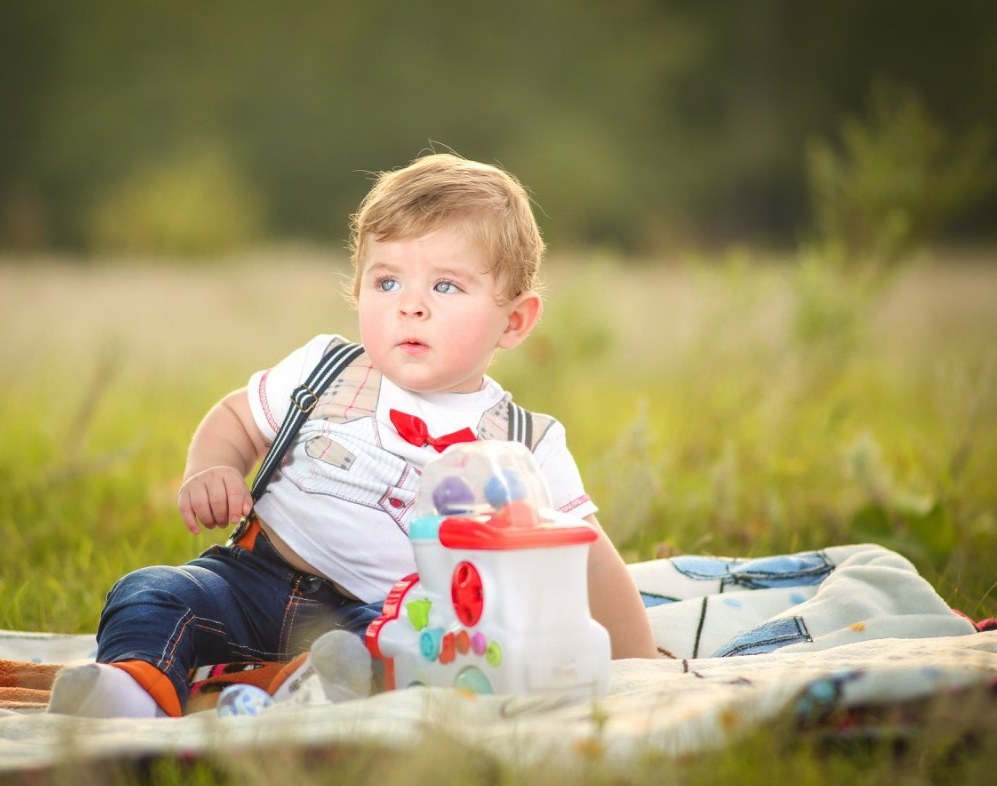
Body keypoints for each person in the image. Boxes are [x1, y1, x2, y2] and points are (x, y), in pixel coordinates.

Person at [48, 152, 657, 718]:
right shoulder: (327, 369)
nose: (410, 306)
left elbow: (588, 558)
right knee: (152, 591)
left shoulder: (522, 444)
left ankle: (306, 686)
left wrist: (641, 669)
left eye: (445, 286)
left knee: (417, 654)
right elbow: (236, 418)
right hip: (251, 581)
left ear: (515, 321)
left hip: (386, 612)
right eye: (387, 282)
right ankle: (132, 690)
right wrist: (214, 469)